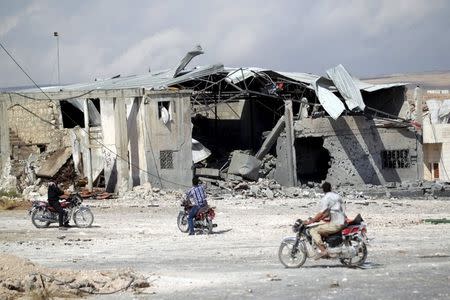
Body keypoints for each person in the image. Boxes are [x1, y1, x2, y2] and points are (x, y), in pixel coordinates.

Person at [303, 182, 346, 259]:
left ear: (323, 190)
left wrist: (311, 221)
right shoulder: (337, 196)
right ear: (331, 188)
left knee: (313, 230)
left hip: (336, 223)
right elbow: (329, 212)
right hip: (343, 221)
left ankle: (323, 250)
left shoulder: (326, 198)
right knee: (321, 225)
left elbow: (321, 212)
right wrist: (318, 219)